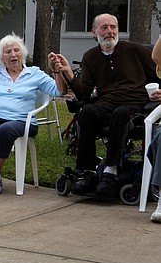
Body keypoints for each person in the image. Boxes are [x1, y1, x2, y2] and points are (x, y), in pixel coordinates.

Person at [49, 13, 161, 197]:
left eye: (113, 27)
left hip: (135, 102)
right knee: (87, 112)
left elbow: (159, 73)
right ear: (94, 32)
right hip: (106, 101)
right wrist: (67, 72)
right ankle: (86, 171)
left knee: (120, 114)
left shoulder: (135, 50)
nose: (109, 32)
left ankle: (111, 171)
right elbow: (84, 93)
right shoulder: (90, 57)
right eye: (104, 28)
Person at [0, 35, 65, 195]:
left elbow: (60, 91)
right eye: (7, 52)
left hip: (23, 121)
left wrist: (57, 71)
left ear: (23, 53)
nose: (13, 55)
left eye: (16, 50)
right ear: (1, 57)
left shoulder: (35, 73)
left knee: (4, 131)